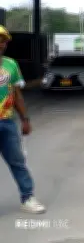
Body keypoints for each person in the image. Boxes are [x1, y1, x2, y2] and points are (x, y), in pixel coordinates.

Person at [0, 26, 46, 214]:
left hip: (7, 122)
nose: (1, 44)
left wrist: (25, 119)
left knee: (17, 161)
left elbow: (17, 94)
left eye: (3, 40)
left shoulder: (10, 64)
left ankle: (27, 197)